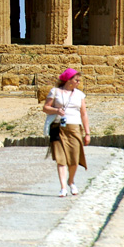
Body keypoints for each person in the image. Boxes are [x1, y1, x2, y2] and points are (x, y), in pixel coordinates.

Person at [42, 68, 91, 197]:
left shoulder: (80, 94)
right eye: (76, 80)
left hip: (74, 127)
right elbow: (45, 108)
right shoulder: (55, 91)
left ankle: (71, 181)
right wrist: (56, 111)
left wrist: (87, 133)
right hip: (57, 127)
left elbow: (84, 114)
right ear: (68, 80)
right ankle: (63, 187)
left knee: (74, 159)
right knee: (61, 159)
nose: (78, 82)